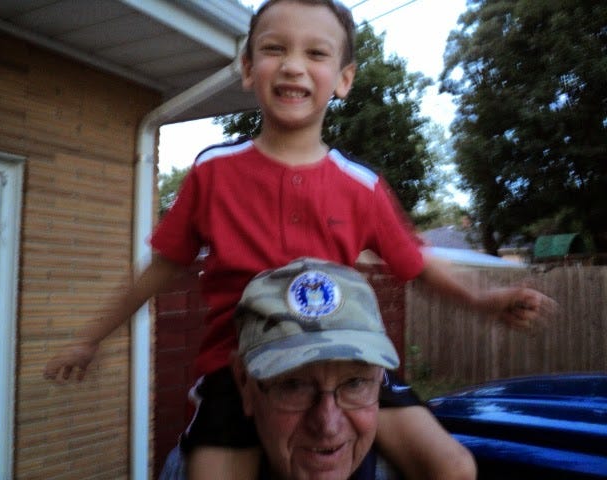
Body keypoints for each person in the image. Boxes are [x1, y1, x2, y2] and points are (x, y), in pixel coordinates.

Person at [44, 1, 557, 479]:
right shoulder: (213, 172)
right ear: (249, 69)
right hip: (241, 367)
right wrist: (91, 338)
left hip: (345, 363)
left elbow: (415, 263)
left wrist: (483, 300)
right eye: (275, 49)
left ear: (344, 79)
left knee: (453, 466)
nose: (293, 66)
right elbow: (162, 265)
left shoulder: (361, 186)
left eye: (315, 53)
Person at [161, 257, 417, 479]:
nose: (328, 425)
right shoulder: (187, 471)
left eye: (355, 383)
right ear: (244, 383)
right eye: (294, 385)